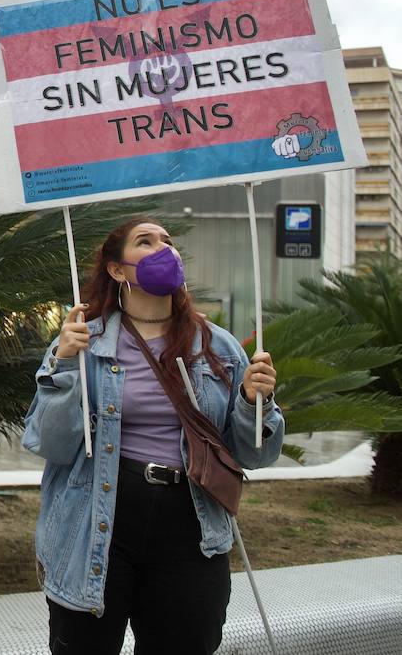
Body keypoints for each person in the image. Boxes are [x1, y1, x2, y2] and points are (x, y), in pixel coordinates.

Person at [23, 217, 284, 655]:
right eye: (146, 242)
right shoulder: (83, 341)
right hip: (97, 522)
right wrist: (66, 365)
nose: (165, 249)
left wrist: (255, 402)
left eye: (168, 241)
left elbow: (254, 454)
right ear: (117, 269)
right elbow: (50, 444)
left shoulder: (218, 347)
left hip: (190, 525)